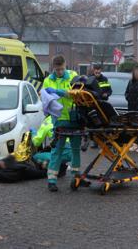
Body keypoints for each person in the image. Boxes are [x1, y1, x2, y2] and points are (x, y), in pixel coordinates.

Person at [43, 55, 89, 192]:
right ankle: (51, 180)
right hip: (59, 120)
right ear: (53, 68)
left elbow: (78, 94)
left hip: (74, 118)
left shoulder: (73, 76)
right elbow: (45, 101)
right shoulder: (47, 81)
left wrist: (59, 92)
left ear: (65, 65)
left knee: (75, 149)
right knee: (57, 149)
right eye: (57, 70)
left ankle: (75, 178)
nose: (59, 72)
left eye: (62, 69)